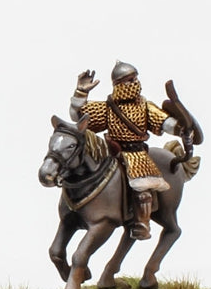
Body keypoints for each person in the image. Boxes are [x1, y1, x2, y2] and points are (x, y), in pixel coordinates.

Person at [70, 60, 183, 240]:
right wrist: (80, 92)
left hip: (136, 155)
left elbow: (163, 122)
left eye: (135, 79)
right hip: (111, 152)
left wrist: (180, 128)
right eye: (129, 80)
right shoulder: (107, 107)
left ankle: (142, 224)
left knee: (142, 188)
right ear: (118, 84)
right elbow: (79, 117)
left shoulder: (145, 106)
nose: (134, 83)